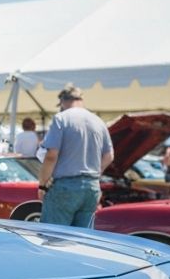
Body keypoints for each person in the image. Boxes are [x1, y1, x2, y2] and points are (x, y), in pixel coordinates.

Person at [37, 83, 114, 228]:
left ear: (63, 101)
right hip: (92, 187)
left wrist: (42, 185)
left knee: (52, 236)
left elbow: (51, 155)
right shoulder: (98, 121)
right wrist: (94, 174)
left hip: (66, 186)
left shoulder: (61, 118)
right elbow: (109, 155)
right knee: (81, 238)